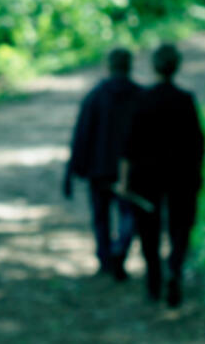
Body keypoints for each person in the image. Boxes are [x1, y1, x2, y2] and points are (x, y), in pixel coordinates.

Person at [117, 43, 205, 307]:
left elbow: (128, 145)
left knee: (148, 229)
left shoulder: (142, 100)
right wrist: (197, 174)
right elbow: (198, 143)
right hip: (181, 176)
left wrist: (124, 181)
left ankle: (153, 281)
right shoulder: (185, 99)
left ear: (154, 66)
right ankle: (174, 269)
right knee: (180, 226)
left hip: (147, 177)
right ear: (176, 66)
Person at [62, 48, 141, 280]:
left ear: (109, 65)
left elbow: (82, 135)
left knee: (100, 216)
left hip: (99, 170)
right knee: (129, 213)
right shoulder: (140, 95)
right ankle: (120, 249)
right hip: (129, 171)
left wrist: (72, 171)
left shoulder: (95, 96)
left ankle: (105, 258)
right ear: (129, 65)